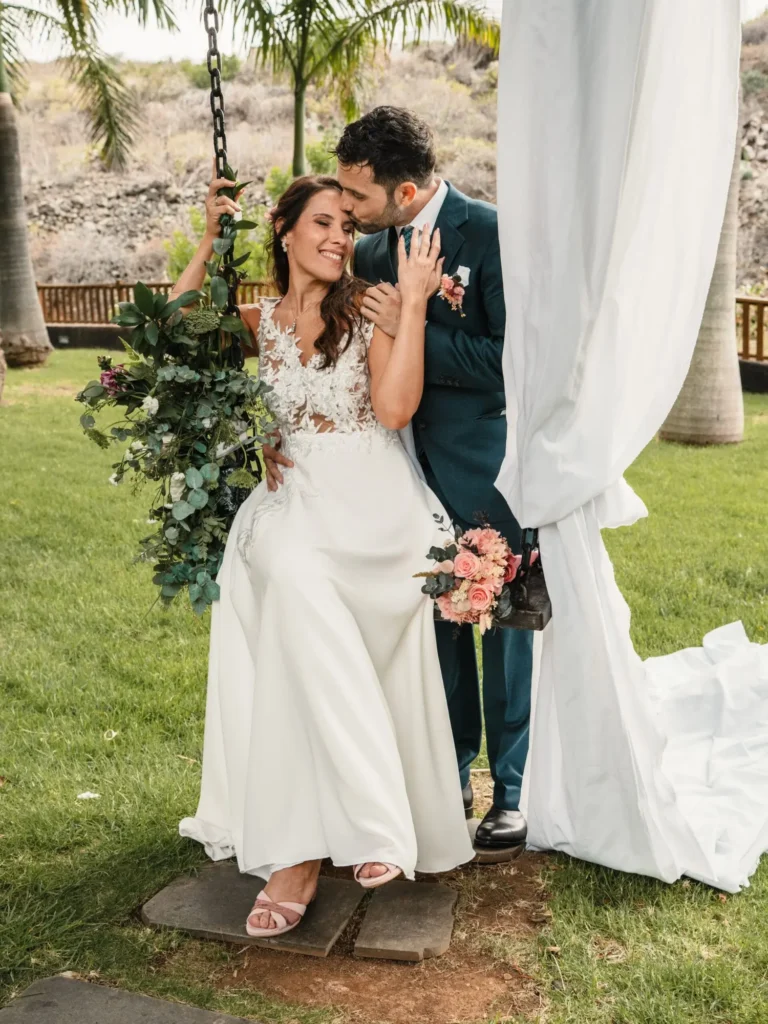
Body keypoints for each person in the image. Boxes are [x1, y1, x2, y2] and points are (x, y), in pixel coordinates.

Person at [177, 171, 474, 939]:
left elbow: (396, 410)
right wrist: (210, 238)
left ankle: (304, 857)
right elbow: (170, 330)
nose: (341, 237)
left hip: (378, 511)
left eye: (347, 225)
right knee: (287, 570)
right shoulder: (259, 320)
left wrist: (412, 307)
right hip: (296, 503)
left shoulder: (367, 306)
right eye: (323, 223)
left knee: (293, 581)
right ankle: (339, 836)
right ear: (284, 232)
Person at [337, 107, 534, 850]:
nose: (347, 208)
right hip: (403, 474)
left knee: (506, 626)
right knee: (437, 633)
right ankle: (448, 776)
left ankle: (512, 792)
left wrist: (414, 323)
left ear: (406, 191)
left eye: (356, 195)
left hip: (488, 470)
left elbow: (514, 363)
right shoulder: (372, 252)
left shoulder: (492, 236)